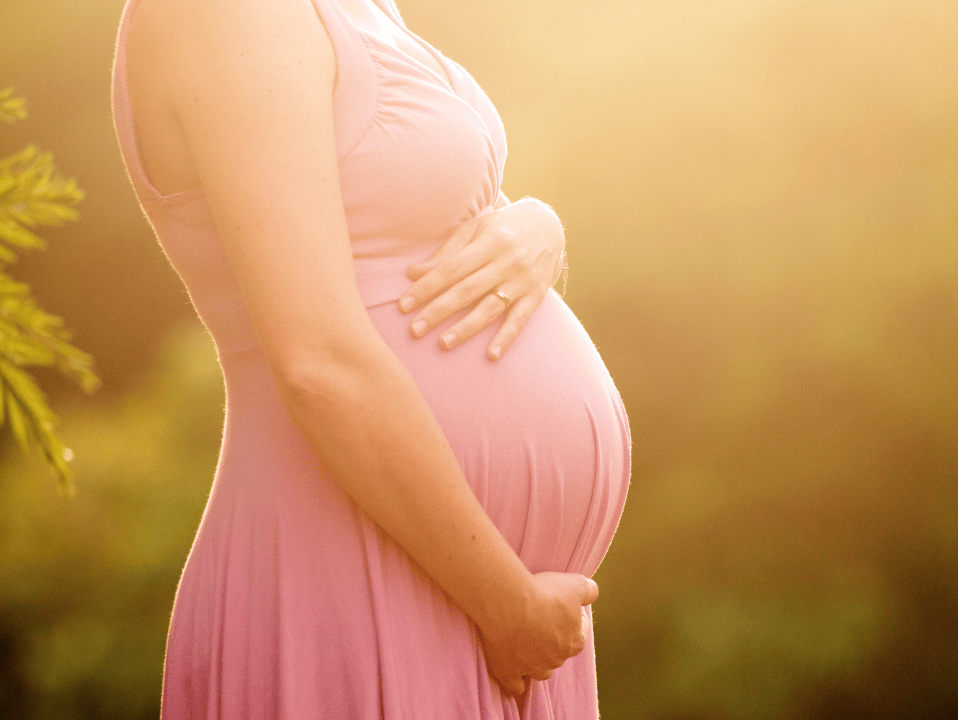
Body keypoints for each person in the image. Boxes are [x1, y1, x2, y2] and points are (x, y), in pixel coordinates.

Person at [112, 0, 631, 717]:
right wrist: (505, 602)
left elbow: (417, 215)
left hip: (496, 610)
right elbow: (316, 361)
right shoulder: (228, 14)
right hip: (359, 576)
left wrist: (537, 227)